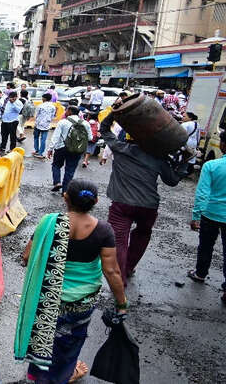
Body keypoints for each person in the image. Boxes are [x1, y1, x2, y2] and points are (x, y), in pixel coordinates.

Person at [16, 180, 128, 384]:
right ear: (96, 201)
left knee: (45, 336)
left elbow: (27, 256)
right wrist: (122, 304)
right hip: (82, 303)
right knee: (71, 342)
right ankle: (62, 376)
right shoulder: (104, 230)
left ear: (65, 197)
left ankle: (39, 375)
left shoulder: (50, 222)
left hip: (49, 299)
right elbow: (112, 271)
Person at [100, 108, 181, 283]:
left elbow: (104, 130)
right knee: (142, 235)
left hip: (122, 205)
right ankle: (128, 267)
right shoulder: (159, 157)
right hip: (149, 206)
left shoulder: (121, 149)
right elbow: (172, 181)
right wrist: (183, 165)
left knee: (119, 241)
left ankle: (120, 278)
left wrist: (114, 113)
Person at [188, 130, 226, 305]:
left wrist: (196, 215)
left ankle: (200, 273)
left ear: (222, 145)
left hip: (210, 213)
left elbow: (203, 193)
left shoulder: (211, 166)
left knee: (206, 245)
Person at [46, 105, 91, 193]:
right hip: (77, 150)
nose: (65, 112)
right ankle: (65, 191)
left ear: (69, 111)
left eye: (66, 110)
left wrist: (50, 148)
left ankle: (57, 182)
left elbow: (56, 136)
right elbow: (89, 138)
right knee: (70, 169)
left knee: (56, 165)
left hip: (61, 148)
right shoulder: (85, 123)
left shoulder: (63, 122)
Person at [33, 93, 57, 159]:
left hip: (38, 124)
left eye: (42, 97)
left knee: (36, 138)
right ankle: (41, 153)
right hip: (47, 124)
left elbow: (36, 115)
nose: (42, 99)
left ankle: (37, 150)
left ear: (44, 98)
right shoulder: (53, 106)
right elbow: (53, 116)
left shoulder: (40, 106)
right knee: (43, 139)